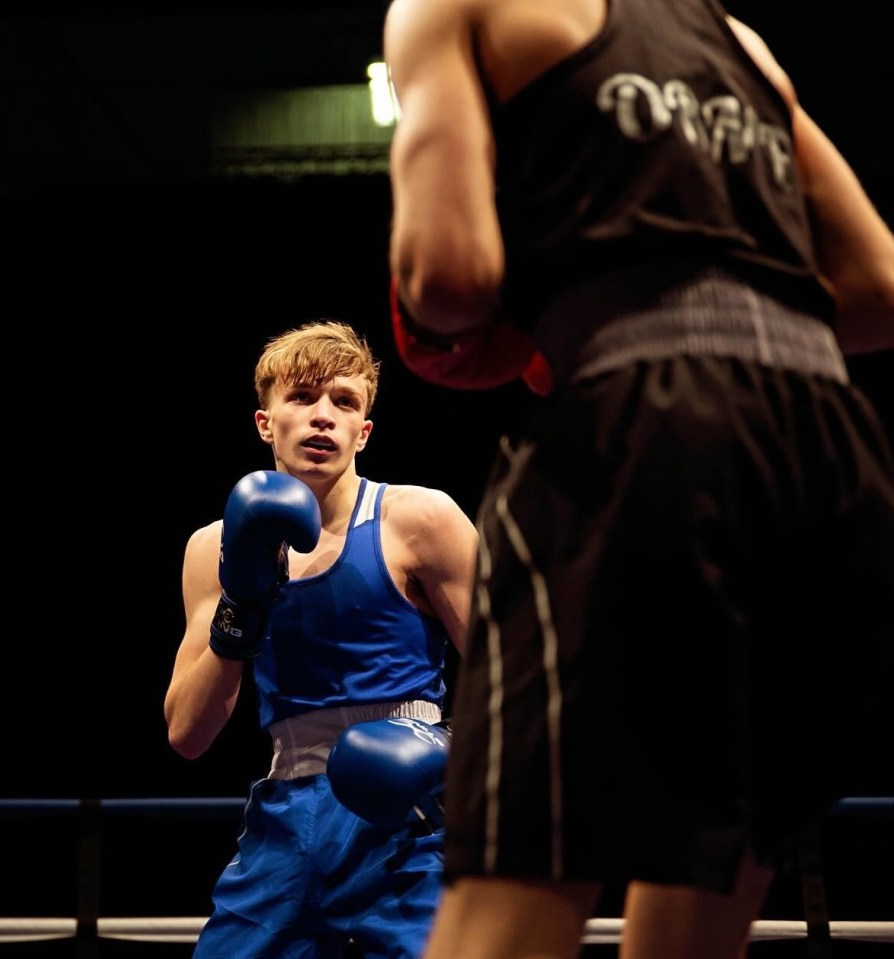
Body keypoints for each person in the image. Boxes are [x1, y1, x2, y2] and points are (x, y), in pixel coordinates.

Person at [383, 0, 894, 957]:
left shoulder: (454, 8)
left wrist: (613, 311)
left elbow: (450, 279)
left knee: (518, 886)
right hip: (833, 459)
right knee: (704, 900)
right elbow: (877, 288)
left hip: (642, 433)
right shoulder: (744, 43)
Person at [163, 319, 479, 959]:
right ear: (264, 422)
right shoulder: (212, 547)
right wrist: (242, 604)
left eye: (344, 401)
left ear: (364, 430)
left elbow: (520, 677)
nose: (323, 416)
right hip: (285, 823)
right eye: (302, 398)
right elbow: (187, 734)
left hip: (412, 821)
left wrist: (447, 746)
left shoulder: (419, 520)